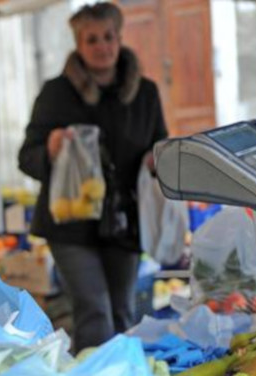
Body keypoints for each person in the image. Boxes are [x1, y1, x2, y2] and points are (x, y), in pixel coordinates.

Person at [18, 2, 167, 352]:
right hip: (71, 225)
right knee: (95, 310)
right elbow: (26, 157)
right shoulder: (56, 93)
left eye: (108, 37)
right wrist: (50, 149)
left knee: (123, 311)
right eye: (92, 39)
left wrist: (155, 159)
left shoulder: (145, 93)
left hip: (125, 221)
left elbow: (161, 145)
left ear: (119, 37)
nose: (102, 46)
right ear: (78, 44)